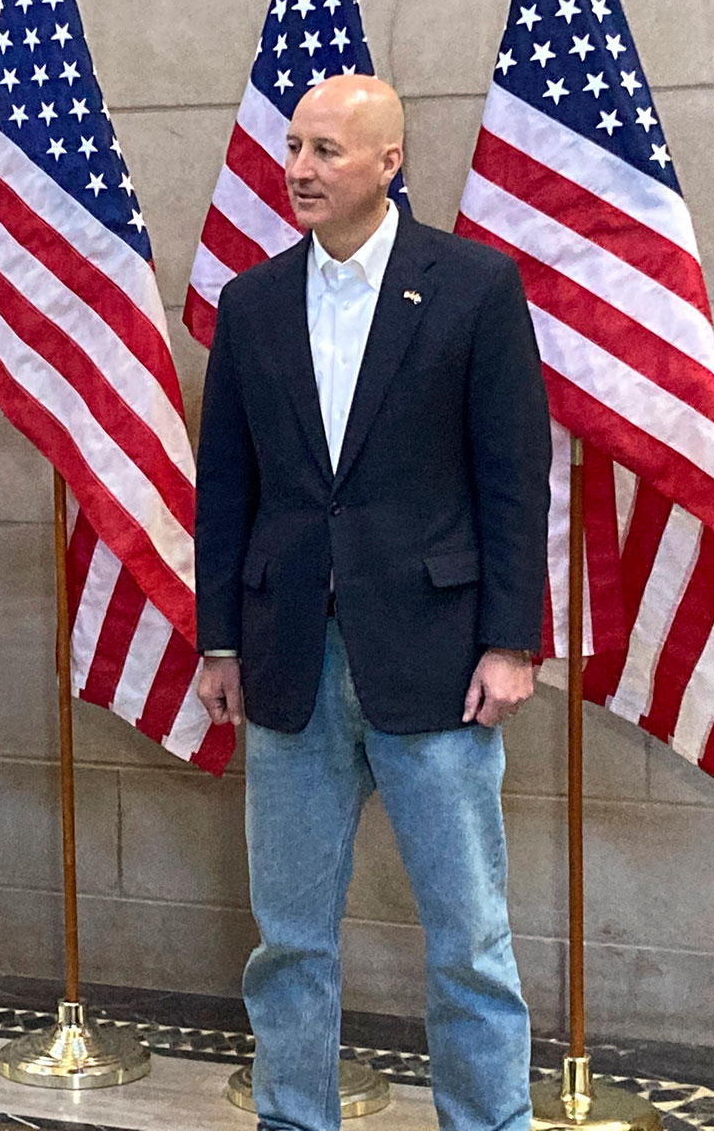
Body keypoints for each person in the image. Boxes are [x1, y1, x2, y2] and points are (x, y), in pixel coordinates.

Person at [195, 75, 550, 1131]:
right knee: (289, 939)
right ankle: (292, 1117)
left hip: (440, 661)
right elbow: (226, 489)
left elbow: (512, 476)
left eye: (325, 151)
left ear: (388, 162)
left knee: (469, 940)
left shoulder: (474, 287)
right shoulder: (251, 302)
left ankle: (486, 1121)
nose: (298, 169)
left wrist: (510, 642)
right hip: (287, 659)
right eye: (293, 147)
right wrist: (220, 639)